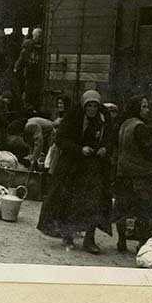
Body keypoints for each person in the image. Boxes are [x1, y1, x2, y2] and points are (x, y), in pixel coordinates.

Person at [37, 89, 113, 254]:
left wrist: (105, 148)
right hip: (73, 166)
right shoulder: (73, 116)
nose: (92, 109)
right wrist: (80, 149)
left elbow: (110, 138)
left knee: (95, 202)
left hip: (94, 168)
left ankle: (89, 239)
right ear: (84, 106)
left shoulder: (103, 118)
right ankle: (68, 235)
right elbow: (60, 140)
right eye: (89, 106)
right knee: (69, 202)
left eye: (95, 106)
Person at [114, 95, 152, 253]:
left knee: (123, 208)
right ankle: (141, 243)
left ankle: (121, 241)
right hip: (140, 175)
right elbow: (148, 152)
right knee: (144, 209)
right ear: (137, 108)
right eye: (144, 107)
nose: (147, 110)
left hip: (123, 173)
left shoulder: (124, 125)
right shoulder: (140, 127)